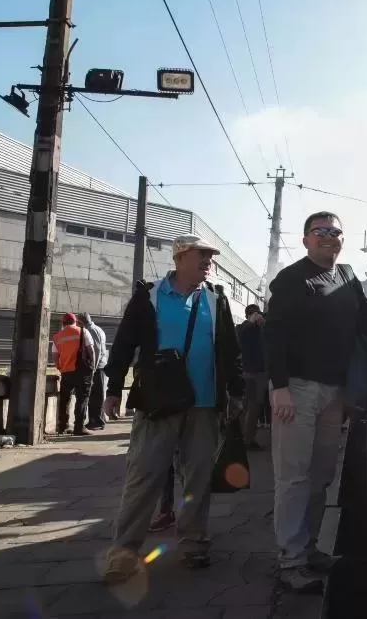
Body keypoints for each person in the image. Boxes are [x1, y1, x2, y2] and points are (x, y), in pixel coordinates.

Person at [101, 234, 245, 584]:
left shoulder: (216, 299)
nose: (208, 262)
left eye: (210, 256)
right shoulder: (149, 296)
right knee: (144, 475)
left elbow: (230, 350)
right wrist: (113, 388)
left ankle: (193, 543)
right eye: (201, 255)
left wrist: (236, 391)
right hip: (158, 402)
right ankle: (123, 553)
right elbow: (124, 343)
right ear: (180, 258)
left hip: (204, 404)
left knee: (197, 478)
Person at [265, 211, 367, 592]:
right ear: (306, 239)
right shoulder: (291, 279)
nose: (328, 236)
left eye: (335, 231)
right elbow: (274, 334)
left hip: (335, 391)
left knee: (321, 476)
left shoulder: (348, 276)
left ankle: (308, 549)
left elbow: (361, 323)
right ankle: (290, 561)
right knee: (293, 477)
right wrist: (279, 387)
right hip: (298, 389)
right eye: (320, 231)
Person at [52, 312, 96, 436]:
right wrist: (92, 367)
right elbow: (91, 350)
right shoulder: (82, 331)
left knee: (65, 399)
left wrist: (59, 367)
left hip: (66, 371)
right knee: (82, 399)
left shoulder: (58, 336)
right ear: (75, 321)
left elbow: (54, 355)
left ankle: (62, 426)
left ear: (63, 323)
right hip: (82, 371)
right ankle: (79, 427)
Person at [237, 303, 267, 450]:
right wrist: (250, 322)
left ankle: (247, 438)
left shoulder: (262, 328)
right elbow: (238, 337)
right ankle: (246, 440)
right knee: (249, 406)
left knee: (254, 407)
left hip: (260, 373)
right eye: (254, 314)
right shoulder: (243, 328)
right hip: (249, 373)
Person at [79, 312, 109, 430]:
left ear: (81, 322)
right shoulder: (97, 329)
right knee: (96, 395)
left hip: (97, 367)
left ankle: (97, 420)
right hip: (100, 366)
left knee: (95, 395)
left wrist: (93, 368)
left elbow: (96, 350)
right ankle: (96, 420)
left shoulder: (91, 330)